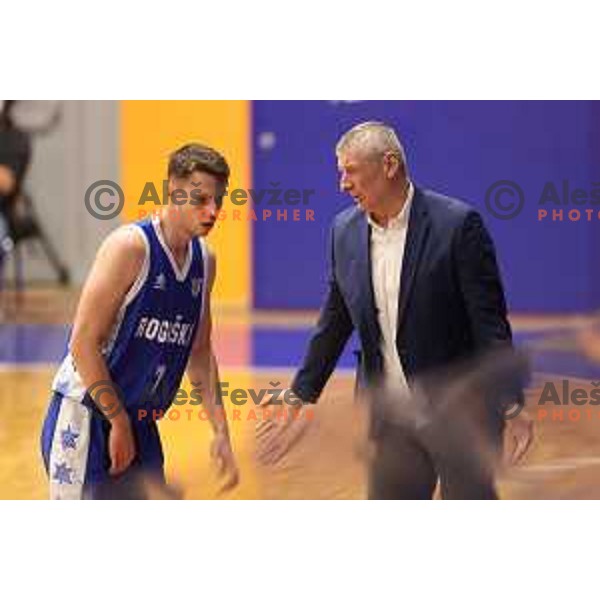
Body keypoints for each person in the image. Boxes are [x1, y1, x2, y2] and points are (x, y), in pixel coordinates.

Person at [258, 121, 533, 499]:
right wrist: (300, 394)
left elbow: (490, 326)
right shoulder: (343, 230)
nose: (343, 183)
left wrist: (511, 404)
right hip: (390, 420)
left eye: (350, 170)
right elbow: (334, 321)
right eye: (341, 172)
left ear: (388, 165)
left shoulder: (456, 226)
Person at [41, 143, 239, 499]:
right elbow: (82, 343)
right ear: (173, 192)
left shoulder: (205, 261)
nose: (213, 211)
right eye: (201, 200)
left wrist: (221, 431)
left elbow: (200, 352)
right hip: (88, 415)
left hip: (141, 421)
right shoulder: (130, 247)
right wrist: (117, 420)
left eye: (218, 201)